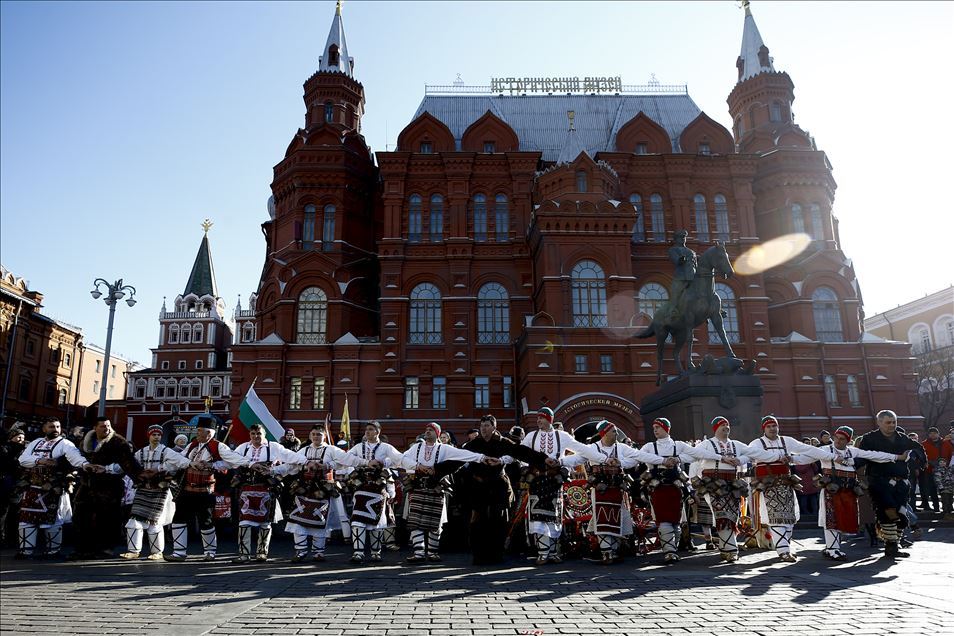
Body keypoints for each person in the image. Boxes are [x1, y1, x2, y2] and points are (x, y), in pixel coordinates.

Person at [562, 420, 665, 564]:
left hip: (617, 489)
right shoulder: (592, 448)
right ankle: (606, 552)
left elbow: (637, 457)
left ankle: (614, 551)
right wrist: (559, 462)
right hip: (599, 491)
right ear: (604, 433)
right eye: (613, 431)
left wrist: (662, 461)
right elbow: (575, 459)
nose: (616, 433)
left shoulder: (621, 448)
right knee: (602, 517)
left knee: (618, 517)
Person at [798, 426, 908, 559]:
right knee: (831, 519)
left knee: (842, 519)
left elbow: (875, 455)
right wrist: (788, 459)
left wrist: (898, 457)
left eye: (842, 439)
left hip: (849, 490)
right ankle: (833, 549)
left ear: (848, 440)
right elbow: (804, 457)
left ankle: (830, 548)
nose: (838, 441)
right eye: (836, 437)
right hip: (831, 489)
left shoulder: (853, 452)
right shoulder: (825, 450)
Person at [520, 407, 608, 564]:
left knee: (554, 517)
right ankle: (543, 553)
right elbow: (519, 453)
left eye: (542, 418)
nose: (539, 420)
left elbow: (583, 451)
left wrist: (602, 458)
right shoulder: (530, 437)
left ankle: (553, 552)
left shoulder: (562, 436)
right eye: (538, 418)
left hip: (554, 481)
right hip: (537, 481)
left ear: (550, 419)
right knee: (538, 517)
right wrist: (519, 464)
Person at [462, 415, 547, 565]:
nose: (484, 429)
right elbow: (459, 459)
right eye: (482, 426)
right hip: (479, 487)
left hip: (498, 486)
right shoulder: (473, 444)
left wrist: (543, 460)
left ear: (494, 427)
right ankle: (479, 555)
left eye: (487, 426)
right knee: (477, 522)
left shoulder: (503, 443)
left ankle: (496, 554)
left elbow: (522, 452)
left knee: (498, 521)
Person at [399, 422, 489, 563]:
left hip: (436, 489)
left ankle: (433, 553)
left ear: (437, 433)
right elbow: (401, 458)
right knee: (415, 522)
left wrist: (482, 458)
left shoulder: (444, 448)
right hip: (418, 487)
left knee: (436, 522)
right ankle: (419, 553)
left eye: (431, 430)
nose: (427, 431)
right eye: (426, 429)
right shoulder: (416, 447)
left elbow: (463, 454)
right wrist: (414, 466)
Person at [279, 425, 369, 562]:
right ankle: (300, 551)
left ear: (324, 436)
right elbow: (291, 466)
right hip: (304, 489)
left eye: (319, 434)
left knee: (320, 520)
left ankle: (318, 552)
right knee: (297, 520)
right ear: (310, 436)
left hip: (323, 491)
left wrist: (329, 465)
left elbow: (347, 460)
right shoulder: (304, 450)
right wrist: (273, 471)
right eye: (314, 434)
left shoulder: (331, 450)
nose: (316, 437)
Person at [165, 419, 249, 561]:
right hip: (187, 488)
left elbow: (232, 461)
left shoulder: (218, 446)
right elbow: (180, 459)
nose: (196, 433)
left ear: (209, 433)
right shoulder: (192, 445)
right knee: (179, 518)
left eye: (199, 430)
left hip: (205, 490)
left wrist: (212, 465)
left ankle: (210, 552)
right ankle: (179, 552)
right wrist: (164, 469)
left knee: (206, 521)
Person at [745, 415, 824, 562]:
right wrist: (779, 456)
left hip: (786, 484)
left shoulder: (786, 441)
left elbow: (807, 449)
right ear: (764, 429)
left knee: (789, 518)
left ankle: (785, 547)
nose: (772, 428)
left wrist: (828, 455)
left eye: (774, 425)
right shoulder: (757, 443)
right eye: (769, 426)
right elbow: (755, 454)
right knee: (775, 518)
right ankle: (783, 551)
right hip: (768, 485)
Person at [637, 417, 714, 563]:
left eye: (658, 427)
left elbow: (696, 454)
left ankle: (673, 547)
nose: (655, 430)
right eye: (654, 428)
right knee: (663, 518)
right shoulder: (649, 446)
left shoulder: (678, 445)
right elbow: (638, 456)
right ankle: (669, 551)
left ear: (666, 429)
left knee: (676, 519)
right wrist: (662, 460)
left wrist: (678, 459)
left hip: (675, 487)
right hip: (657, 487)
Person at [230, 423, 306, 563]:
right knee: (244, 522)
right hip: (247, 490)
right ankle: (244, 554)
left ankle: (261, 553)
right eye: (253, 433)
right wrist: (250, 464)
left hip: (266, 489)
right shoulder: (243, 447)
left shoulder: (274, 447)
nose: (256, 436)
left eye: (259, 433)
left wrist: (276, 471)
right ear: (250, 435)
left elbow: (293, 459)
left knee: (265, 523)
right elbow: (232, 461)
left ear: (264, 434)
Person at [70, 417, 143, 560]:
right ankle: (83, 548)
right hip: (87, 485)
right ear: (95, 428)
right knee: (81, 516)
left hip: (109, 486)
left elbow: (128, 464)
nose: (106, 429)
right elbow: (77, 460)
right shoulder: (86, 441)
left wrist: (107, 469)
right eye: (103, 426)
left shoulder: (118, 442)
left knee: (107, 518)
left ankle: (105, 548)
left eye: (108, 426)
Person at [15, 418, 88, 559]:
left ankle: (53, 551)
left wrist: (85, 464)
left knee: (53, 519)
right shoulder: (36, 442)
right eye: (51, 427)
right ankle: (26, 551)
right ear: (44, 429)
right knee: (26, 519)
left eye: (58, 427)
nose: (55, 429)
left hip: (53, 487)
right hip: (31, 486)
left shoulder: (65, 444)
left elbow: (75, 458)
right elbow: (22, 460)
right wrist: (38, 460)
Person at [856, 410, 923, 559]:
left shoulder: (902, 438)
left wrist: (915, 459)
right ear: (879, 422)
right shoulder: (870, 439)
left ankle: (896, 543)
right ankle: (891, 545)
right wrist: (850, 466)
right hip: (880, 482)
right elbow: (862, 457)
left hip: (901, 482)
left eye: (894, 422)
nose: (892, 425)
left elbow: (918, 451)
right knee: (888, 512)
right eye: (888, 422)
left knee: (901, 513)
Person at [121, 423, 192, 560]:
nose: (157, 437)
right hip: (142, 490)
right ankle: (134, 551)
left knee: (155, 523)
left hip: (160, 490)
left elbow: (181, 461)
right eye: (154, 434)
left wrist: (160, 468)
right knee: (134, 521)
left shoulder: (166, 451)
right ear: (149, 435)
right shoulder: (141, 452)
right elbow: (127, 465)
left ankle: (157, 552)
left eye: (159, 434)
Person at [689, 416, 750, 562]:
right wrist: (719, 458)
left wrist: (740, 460)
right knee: (722, 515)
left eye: (727, 425)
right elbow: (694, 456)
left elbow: (752, 452)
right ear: (715, 428)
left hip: (733, 483)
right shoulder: (706, 444)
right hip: (714, 484)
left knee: (732, 515)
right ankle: (731, 550)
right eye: (722, 425)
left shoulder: (737, 444)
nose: (726, 427)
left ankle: (724, 548)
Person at [344, 421, 405, 563]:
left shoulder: (386, 447)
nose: (367, 432)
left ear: (377, 432)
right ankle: (358, 553)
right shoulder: (358, 447)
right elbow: (346, 459)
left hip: (378, 490)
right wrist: (362, 464)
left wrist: (385, 464)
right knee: (358, 520)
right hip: (361, 489)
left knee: (377, 521)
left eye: (371, 429)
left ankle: (376, 552)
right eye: (367, 430)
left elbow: (398, 460)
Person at [0, 426, 26, 548]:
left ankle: (12, 538)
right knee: (2, 512)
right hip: (5, 484)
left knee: (16, 512)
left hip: (18, 485)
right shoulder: (4, 449)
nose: (21, 440)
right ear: (12, 437)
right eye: (18, 437)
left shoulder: (24, 450)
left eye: (23, 438)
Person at [921, 427, 953, 512]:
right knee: (932, 489)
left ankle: (947, 507)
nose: (933, 435)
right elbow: (921, 457)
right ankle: (936, 507)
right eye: (931, 433)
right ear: (928, 435)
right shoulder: (924, 444)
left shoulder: (946, 443)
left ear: (938, 434)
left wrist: (948, 466)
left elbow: (951, 455)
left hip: (945, 471)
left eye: (935, 433)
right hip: (930, 470)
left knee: (945, 490)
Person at [667, 229, 697, 314]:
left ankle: (716, 309)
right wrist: (680, 260)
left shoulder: (692, 252)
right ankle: (673, 311)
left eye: (684, 237)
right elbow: (676, 261)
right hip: (681, 277)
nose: (683, 239)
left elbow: (696, 265)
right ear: (676, 239)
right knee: (676, 294)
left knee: (706, 290)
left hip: (693, 276)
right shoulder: (673, 250)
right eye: (680, 237)